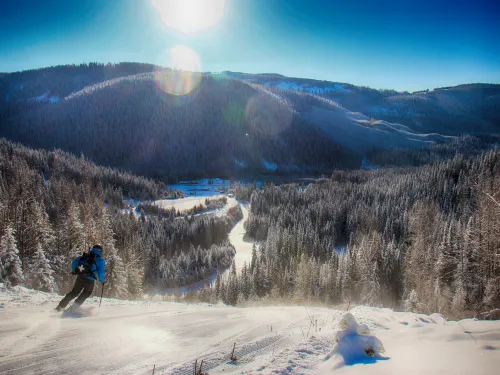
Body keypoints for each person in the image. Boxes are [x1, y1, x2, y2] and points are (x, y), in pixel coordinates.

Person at [55, 244, 106, 312]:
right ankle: (73, 308)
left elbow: (74, 262)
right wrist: (102, 281)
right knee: (86, 293)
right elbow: (101, 272)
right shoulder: (100, 260)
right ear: (101, 251)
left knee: (74, 293)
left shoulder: (85, 256)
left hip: (80, 277)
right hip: (89, 280)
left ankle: (60, 307)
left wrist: (74, 270)